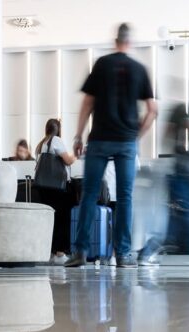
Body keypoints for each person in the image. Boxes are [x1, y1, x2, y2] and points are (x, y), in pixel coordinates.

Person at [65, 23, 158, 268]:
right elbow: (152, 110)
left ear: (115, 41)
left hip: (99, 139)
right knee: (125, 197)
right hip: (126, 142)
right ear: (130, 42)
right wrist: (137, 135)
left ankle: (80, 252)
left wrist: (78, 136)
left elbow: (87, 103)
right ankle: (123, 255)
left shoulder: (101, 64)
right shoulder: (139, 69)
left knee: (89, 194)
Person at [138, 103, 189, 267]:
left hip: (174, 174)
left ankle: (150, 251)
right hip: (183, 173)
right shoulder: (181, 134)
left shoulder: (172, 136)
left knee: (174, 219)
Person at [35, 118, 77, 264]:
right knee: (63, 218)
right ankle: (60, 253)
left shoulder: (42, 144)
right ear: (58, 130)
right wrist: (77, 154)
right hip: (57, 188)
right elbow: (68, 160)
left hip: (44, 187)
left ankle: (52, 252)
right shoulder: (56, 140)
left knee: (51, 219)